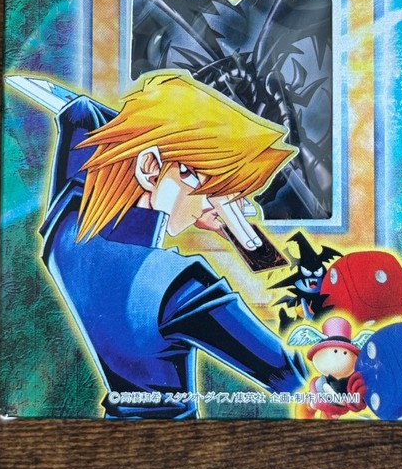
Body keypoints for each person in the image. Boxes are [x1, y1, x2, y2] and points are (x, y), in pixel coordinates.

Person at [39, 70, 306, 419]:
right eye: (212, 185)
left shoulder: (66, 236)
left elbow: (80, 120)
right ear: (150, 167)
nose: (221, 203)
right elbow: (294, 380)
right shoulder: (178, 284)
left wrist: (199, 193)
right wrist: (252, 244)